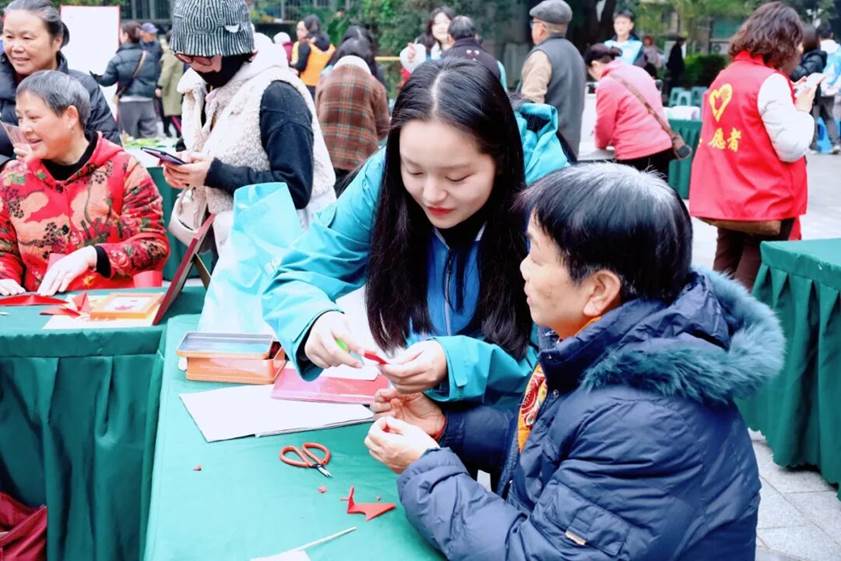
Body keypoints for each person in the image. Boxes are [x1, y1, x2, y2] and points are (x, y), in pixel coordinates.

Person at [364, 163, 782, 560]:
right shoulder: (600, 340)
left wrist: (426, 467)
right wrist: (445, 427)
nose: (523, 269)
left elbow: (539, 553)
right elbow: (550, 446)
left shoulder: (645, 421)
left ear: (598, 290)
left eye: (536, 255)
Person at [263, 59, 567, 407]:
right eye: (415, 171)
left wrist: (454, 362)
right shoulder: (383, 179)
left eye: (456, 177)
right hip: (424, 410)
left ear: (501, 162)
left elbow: (559, 349)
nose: (432, 195)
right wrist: (312, 319)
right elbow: (297, 276)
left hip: (524, 416)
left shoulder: (549, 201)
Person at [165, 0, 335, 254]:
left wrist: (214, 174)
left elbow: (296, 188)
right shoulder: (199, 87)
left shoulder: (278, 96)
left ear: (234, 49)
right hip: (236, 247)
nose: (194, 65)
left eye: (202, 56)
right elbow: (200, 142)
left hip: (289, 252)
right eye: (185, 56)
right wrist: (185, 165)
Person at [0, 71, 169, 296]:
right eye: (20, 118)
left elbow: (153, 246)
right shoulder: (13, 177)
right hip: (40, 308)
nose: (24, 128)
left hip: (111, 306)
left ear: (70, 116)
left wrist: (93, 256)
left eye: (34, 118)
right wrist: (4, 278)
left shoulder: (124, 169)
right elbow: (4, 248)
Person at [689, 2, 814, 289]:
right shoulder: (771, 82)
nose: (799, 50)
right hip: (763, 197)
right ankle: (734, 318)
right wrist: (802, 110)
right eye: (797, 42)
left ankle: (709, 312)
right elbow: (791, 147)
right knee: (749, 281)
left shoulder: (726, 75)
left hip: (728, 193)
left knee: (724, 264)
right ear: (784, 41)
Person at [0, 0, 119, 168]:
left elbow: (111, 155)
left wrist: (53, 163)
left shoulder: (82, 87)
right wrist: (7, 166)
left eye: (27, 38)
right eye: (9, 37)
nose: (16, 47)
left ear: (57, 40)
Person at [587, 43, 673, 177]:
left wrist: (600, 144)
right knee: (658, 189)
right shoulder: (640, 71)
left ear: (595, 65)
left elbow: (604, 123)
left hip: (634, 153)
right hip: (662, 147)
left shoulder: (606, 83)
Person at [315, 39, 389, 194]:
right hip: (360, 163)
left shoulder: (324, 82)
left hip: (328, 159)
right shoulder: (375, 86)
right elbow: (383, 129)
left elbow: (315, 118)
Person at [518, 0, 585, 158]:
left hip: (546, 152)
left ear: (541, 28)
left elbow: (531, 106)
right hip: (570, 149)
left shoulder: (542, 56)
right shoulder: (575, 53)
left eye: (533, 23)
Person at [95, 21, 159, 139]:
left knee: (128, 137)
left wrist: (96, 77)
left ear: (125, 35)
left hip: (128, 102)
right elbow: (156, 75)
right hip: (148, 100)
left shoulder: (118, 58)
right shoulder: (148, 56)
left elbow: (108, 81)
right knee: (150, 137)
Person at [792, 25, 839, 154]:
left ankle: (812, 145)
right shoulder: (837, 50)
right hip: (830, 89)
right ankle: (834, 143)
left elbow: (804, 73)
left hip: (813, 91)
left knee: (813, 116)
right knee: (828, 117)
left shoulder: (814, 56)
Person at [442, 15, 506, 86]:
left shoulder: (441, 60)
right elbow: (503, 92)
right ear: (475, 36)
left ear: (450, 38)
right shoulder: (496, 64)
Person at [399, 6, 455, 76]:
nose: (441, 27)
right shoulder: (423, 48)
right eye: (436, 23)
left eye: (446, 22)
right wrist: (412, 59)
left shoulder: (464, 47)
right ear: (431, 27)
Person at [291, 15, 335, 97]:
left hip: (307, 85)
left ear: (306, 27)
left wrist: (293, 65)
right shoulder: (331, 46)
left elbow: (301, 66)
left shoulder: (305, 44)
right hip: (325, 85)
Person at [156, 31, 184, 138]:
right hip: (178, 87)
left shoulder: (171, 53)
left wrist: (160, 86)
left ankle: (183, 137)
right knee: (177, 114)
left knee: (173, 113)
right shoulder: (182, 51)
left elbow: (166, 72)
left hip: (171, 89)